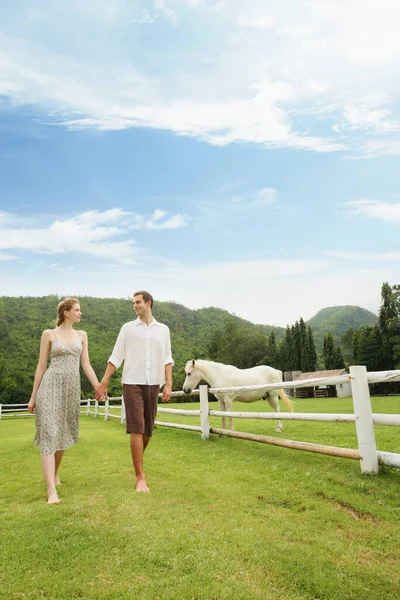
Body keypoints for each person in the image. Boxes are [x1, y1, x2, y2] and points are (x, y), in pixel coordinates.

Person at [95, 290, 173, 493]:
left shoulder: (163, 330)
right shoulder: (127, 329)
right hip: (132, 382)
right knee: (137, 428)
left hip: (153, 383)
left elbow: (167, 358)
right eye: (133, 303)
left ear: (149, 303)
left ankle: (137, 460)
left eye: (138, 302)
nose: (135, 305)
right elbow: (116, 357)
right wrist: (103, 382)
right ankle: (140, 477)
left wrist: (169, 383)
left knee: (148, 431)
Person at [28, 297, 100, 504]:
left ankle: (55, 474)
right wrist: (33, 396)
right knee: (49, 434)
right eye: (77, 310)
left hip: (71, 390)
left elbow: (86, 364)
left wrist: (98, 387)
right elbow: (41, 366)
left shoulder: (82, 335)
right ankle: (51, 490)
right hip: (50, 387)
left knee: (62, 434)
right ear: (66, 312)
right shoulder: (49, 335)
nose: (80, 313)